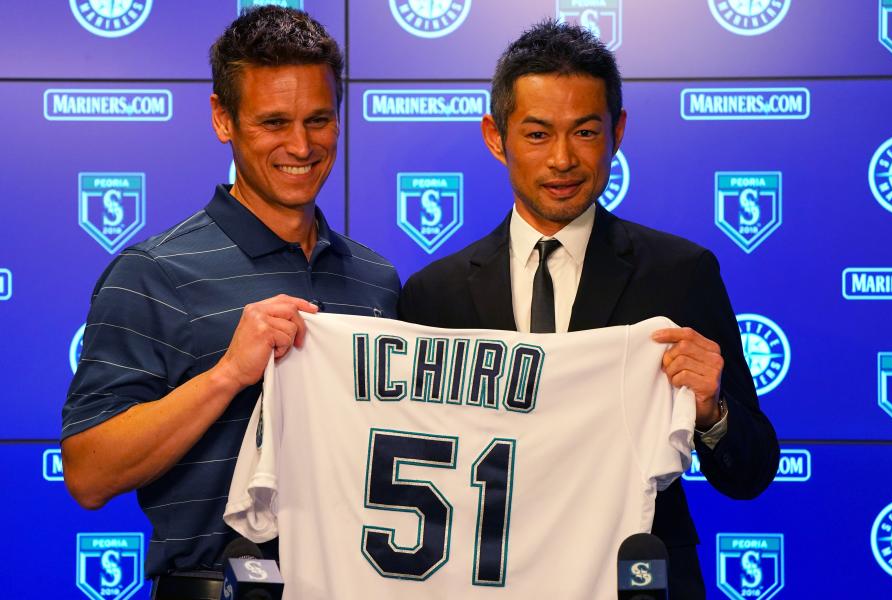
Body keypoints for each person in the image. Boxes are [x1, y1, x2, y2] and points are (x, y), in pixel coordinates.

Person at [398, 20, 779, 599]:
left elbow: (750, 473)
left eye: (584, 132)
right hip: (482, 578)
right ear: (494, 137)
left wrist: (712, 411)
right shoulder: (433, 294)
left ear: (616, 132)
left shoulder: (679, 272)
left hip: (640, 578)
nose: (562, 159)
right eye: (536, 134)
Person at [61, 7, 399, 597]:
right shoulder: (152, 272)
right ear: (224, 118)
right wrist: (226, 376)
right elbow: (88, 473)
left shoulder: (376, 280)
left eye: (319, 119)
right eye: (274, 122)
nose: (301, 144)